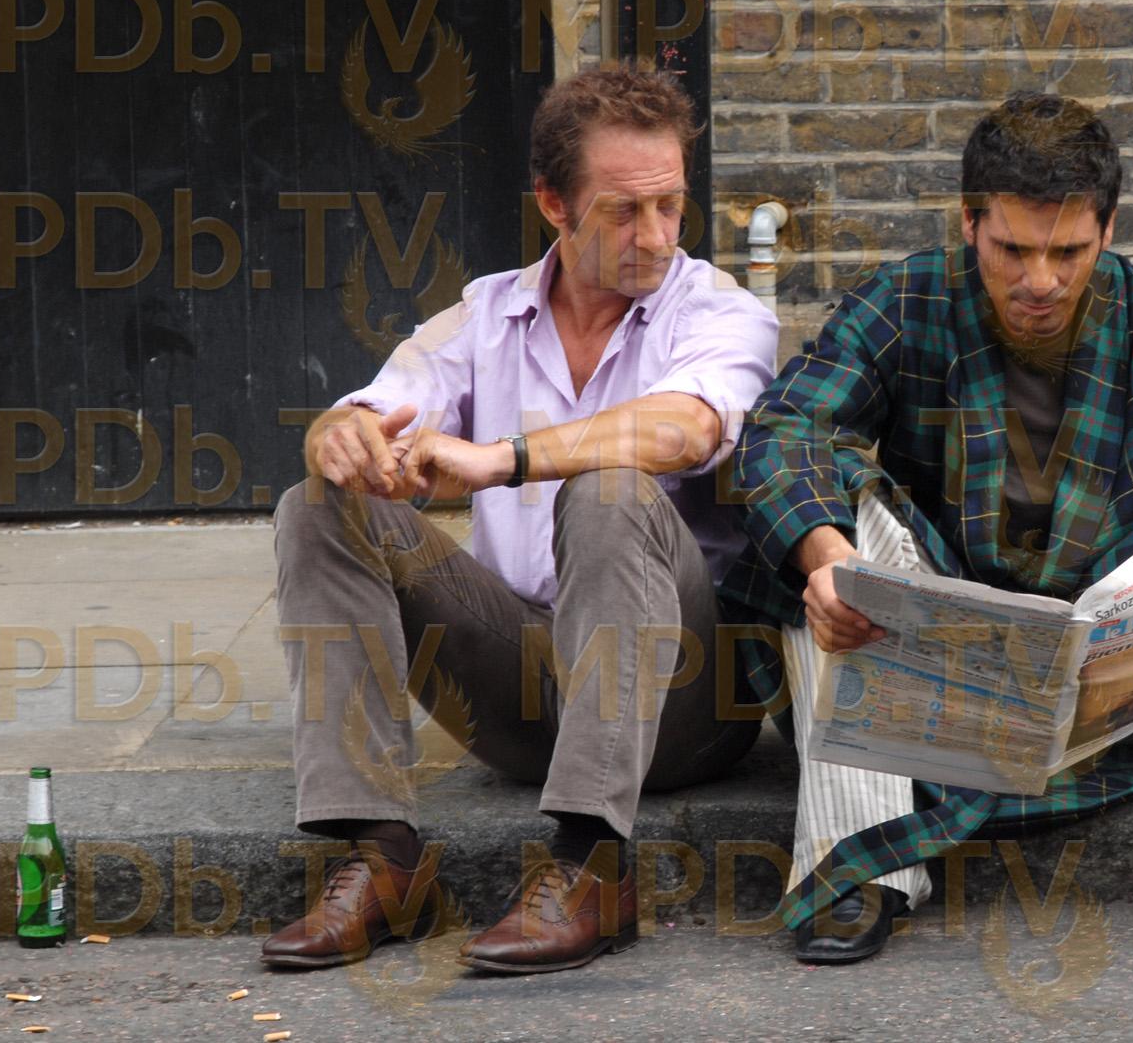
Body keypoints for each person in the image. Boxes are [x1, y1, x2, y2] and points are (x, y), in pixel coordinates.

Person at [720, 92, 1133, 964]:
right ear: (969, 223)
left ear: (1107, 231)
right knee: (820, 536)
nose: (1039, 280)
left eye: (1068, 252)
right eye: (1012, 249)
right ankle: (858, 870)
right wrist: (827, 559)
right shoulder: (903, 302)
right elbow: (784, 432)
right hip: (946, 682)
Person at [261, 65, 777, 975]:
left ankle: (592, 867)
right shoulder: (487, 313)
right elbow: (379, 403)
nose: (657, 235)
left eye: (670, 205)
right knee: (317, 506)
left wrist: (502, 457)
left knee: (612, 488)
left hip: (684, 697)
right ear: (553, 203)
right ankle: (382, 858)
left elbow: (686, 427)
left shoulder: (720, 311)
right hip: (526, 688)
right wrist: (339, 437)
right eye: (625, 210)